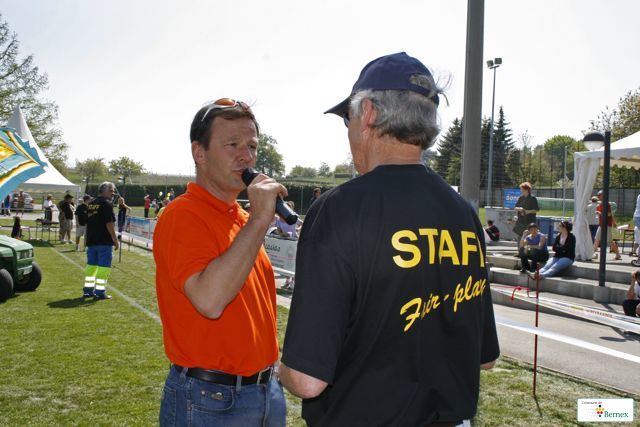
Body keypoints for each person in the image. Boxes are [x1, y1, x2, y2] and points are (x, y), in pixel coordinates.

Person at [278, 52, 499, 426]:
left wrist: (280, 370)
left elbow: (306, 380)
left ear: (367, 114)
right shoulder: (463, 213)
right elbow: (486, 357)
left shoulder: (339, 209)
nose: (349, 132)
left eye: (347, 119)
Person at [153, 97, 286, 426]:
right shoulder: (182, 214)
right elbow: (210, 301)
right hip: (211, 400)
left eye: (252, 146)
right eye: (232, 144)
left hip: (266, 390)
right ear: (199, 153)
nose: (247, 156)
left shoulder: (241, 218)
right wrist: (259, 220)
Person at [83, 182, 119, 300]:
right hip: (104, 241)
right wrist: (115, 239)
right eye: (111, 191)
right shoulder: (106, 204)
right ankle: (99, 292)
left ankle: (88, 290)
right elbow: (109, 223)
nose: (113, 193)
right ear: (103, 190)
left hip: (92, 241)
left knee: (91, 267)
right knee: (103, 268)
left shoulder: (91, 204)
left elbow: (87, 223)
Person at [593, 190, 621, 260]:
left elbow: (609, 214)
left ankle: (618, 254)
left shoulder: (606, 204)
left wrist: (599, 213)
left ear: (603, 195)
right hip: (601, 225)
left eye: (599, 195)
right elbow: (610, 214)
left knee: (610, 241)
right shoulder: (601, 204)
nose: (598, 196)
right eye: (598, 195)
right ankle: (592, 254)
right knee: (597, 239)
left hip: (606, 225)